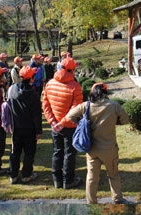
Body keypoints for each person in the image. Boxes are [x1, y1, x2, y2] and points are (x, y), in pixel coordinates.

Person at [62, 82, 129, 203]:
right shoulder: (114, 105)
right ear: (105, 92)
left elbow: (70, 116)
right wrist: (114, 121)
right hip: (109, 148)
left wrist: (82, 123)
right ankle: (117, 198)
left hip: (91, 148)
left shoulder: (86, 106)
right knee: (113, 175)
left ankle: (91, 202)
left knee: (92, 177)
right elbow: (125, 120)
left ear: (92, 92)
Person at [43, 57, 83, 190]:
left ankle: (57, 180)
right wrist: (62, 122)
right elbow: (76, 109)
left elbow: (45, 105)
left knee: (57, 152)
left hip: (55, 126)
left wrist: (53, 121)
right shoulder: (75, 86)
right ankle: (68, 181)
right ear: (72, 70)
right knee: (69, 154)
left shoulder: (50, 83)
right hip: (69, 126)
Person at [7, 65, 41, 184]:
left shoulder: (11, 89)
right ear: (31, 78)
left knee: (15, 152)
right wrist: (38, 131)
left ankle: (13, 175)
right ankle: (26, 175)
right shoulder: (33, 94)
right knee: (29, 152)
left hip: (16, 126)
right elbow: (37, 115)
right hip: (29, 128)